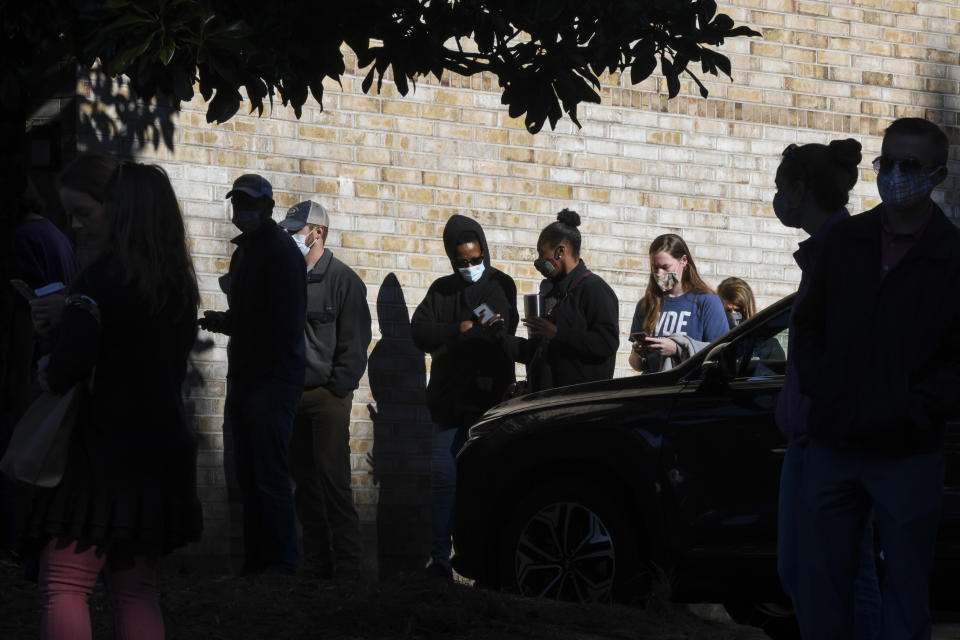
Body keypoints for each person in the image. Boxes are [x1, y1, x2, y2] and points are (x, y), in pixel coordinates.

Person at [793, 119, 960, 639]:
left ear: (937, 174)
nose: (896, 176)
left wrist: (916, 409)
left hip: (908, 452)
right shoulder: (847, 242)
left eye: (910, 166)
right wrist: (827, 392)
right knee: (822, 585)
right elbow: (809, 327)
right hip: (835, 443)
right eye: (888, 163)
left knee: (906, 591)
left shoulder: (952, 256)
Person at [22, 162, 202, 639]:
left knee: (63, 583)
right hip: (159, 453)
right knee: (136, 590)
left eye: (86, 213)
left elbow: (65, 370)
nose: (78, 226)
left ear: (123, 213)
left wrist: (51, 351)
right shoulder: (177, 288)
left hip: (98, 456)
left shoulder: (97, 284)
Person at [771, 138, 882, 640]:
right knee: (808, 573)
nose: (777, 199)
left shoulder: (845, 253)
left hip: (830, 441)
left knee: (834, 574)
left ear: (799, 188)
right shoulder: (826, 253)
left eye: (780, 187)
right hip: (812, 439)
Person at [199, 174, 306, 575]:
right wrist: (227, 321)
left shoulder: (279, 252)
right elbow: (254, 316)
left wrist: (235, 324)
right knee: (247, 473)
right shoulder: (247, 251)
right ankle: (258, 564)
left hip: (272, 377)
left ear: (268, 207)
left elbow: (281, 323)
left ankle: (279, 565)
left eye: (249, 202)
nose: (241, 209)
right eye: (237, 201)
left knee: (268, 474)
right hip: (247, 375)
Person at [411, 214, 518, 578]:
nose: (471, 267)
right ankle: (440, 560)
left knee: (483, 484)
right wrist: (458, 330)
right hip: (447, 405)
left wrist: (447, 347)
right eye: (463, 262)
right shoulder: (441, 290)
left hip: (487, 406)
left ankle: (482, 565)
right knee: (443, 481)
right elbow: (420, 331)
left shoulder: (500, 285)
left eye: (476, 259)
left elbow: (497, 333)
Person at [279, 200, 371, 580]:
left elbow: (356, 341)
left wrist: (338, 389)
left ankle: (350, 567)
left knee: (333, 480)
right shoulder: (288, 277)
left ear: (317, 232)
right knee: (303, 482)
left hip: (327, 398)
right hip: (292, 394)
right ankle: (317, 562)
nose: (290, 236)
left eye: (296, 230)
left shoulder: (343, 280)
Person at [501, 209, 618, 392]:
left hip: (578, 404)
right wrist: (499, 339)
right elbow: (540, 351)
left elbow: (607, 343)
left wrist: (557, 333)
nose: (539, 261)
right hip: (546, 402)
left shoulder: (594, 289)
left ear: (560, 251)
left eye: (542, 254)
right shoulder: (551, 292)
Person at [629, 234, 728, 373]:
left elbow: (722, 352)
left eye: (665, 267)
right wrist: (637, 352)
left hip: (688, 389)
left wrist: (677, 349)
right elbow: (637, 366)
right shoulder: (646, 304)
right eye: (654, 267)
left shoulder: (707, 301)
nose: (660, 273)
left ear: (684, 261)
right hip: (652, 387)